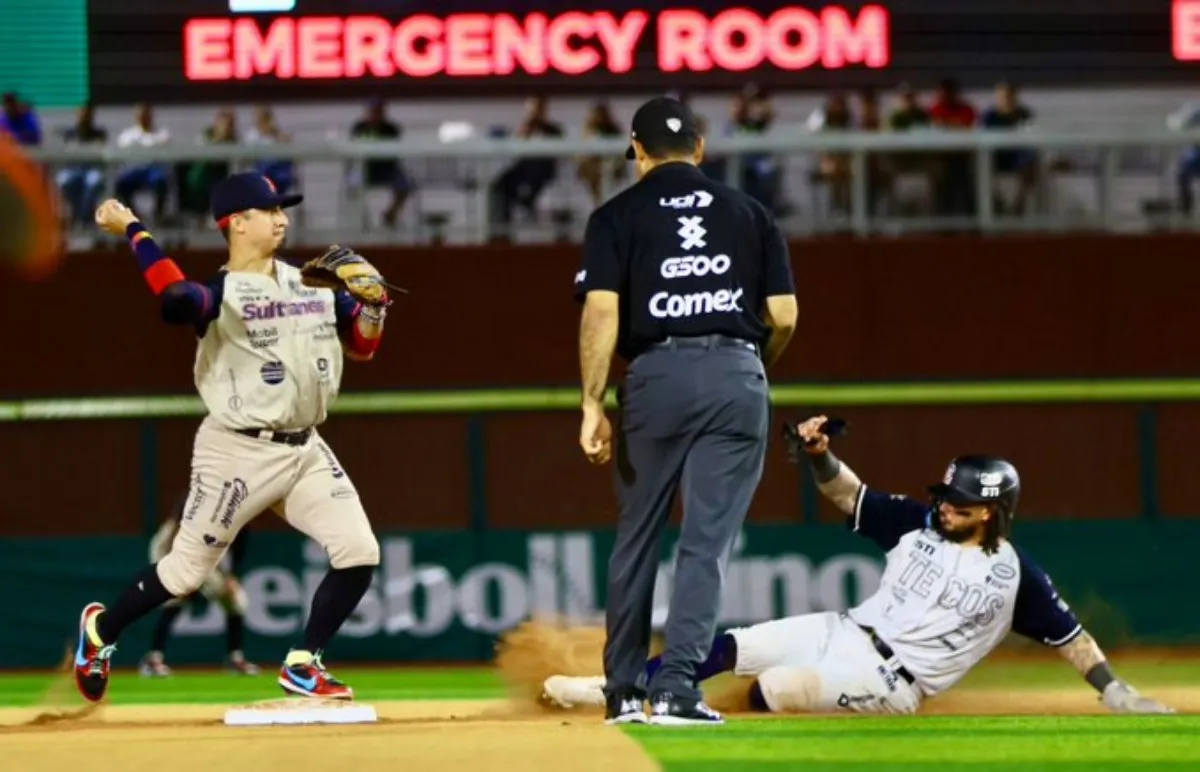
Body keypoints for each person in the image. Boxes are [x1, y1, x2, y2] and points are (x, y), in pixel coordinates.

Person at [539, 416, 1175, 717]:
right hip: (842, 628)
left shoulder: (1016, 577)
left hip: (894, 682)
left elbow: (1072, 638)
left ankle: (700, 718)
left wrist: (1115, 691)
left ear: (988, 513)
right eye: (944, 497)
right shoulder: (918, 525)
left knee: (778, 689)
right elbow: (851, 495)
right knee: (731, 644)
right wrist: (819, 455)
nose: (943, 506)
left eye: (956, 502)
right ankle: (616, 692)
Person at [75, 173, 393, 704]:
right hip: (237, 450)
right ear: (236, 223)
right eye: (269, 211)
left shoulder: (311, 285)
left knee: (359, 551)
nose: (282, 218)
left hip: (304, 448)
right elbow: (176, 299)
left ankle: (303, 663)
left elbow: (362, 347)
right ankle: (101, 632)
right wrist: (133, 228)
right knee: (184, 573)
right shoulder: (222, 293)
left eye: (282, 210)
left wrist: (374, 308)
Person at [573, 95, 799, 726]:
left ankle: (622, 692)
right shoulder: (751, 213)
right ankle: (676, 687)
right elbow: (783, 317)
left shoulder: (616, 214)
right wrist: (748, 367)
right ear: (699, 148)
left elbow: (601, 311)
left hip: (655, 377)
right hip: (736, 371)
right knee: (705, 544)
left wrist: (592, 404)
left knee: (638, 538)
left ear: (638, 153)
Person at [138, 493, 259, 677]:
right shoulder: (204, 493)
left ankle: (235, 658)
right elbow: (176, 533)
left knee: (236, 600)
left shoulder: (239, 506)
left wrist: (231, 576)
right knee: (174, 598)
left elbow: (240, 542)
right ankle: (152, 660)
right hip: (169, 546)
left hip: (203, 550)